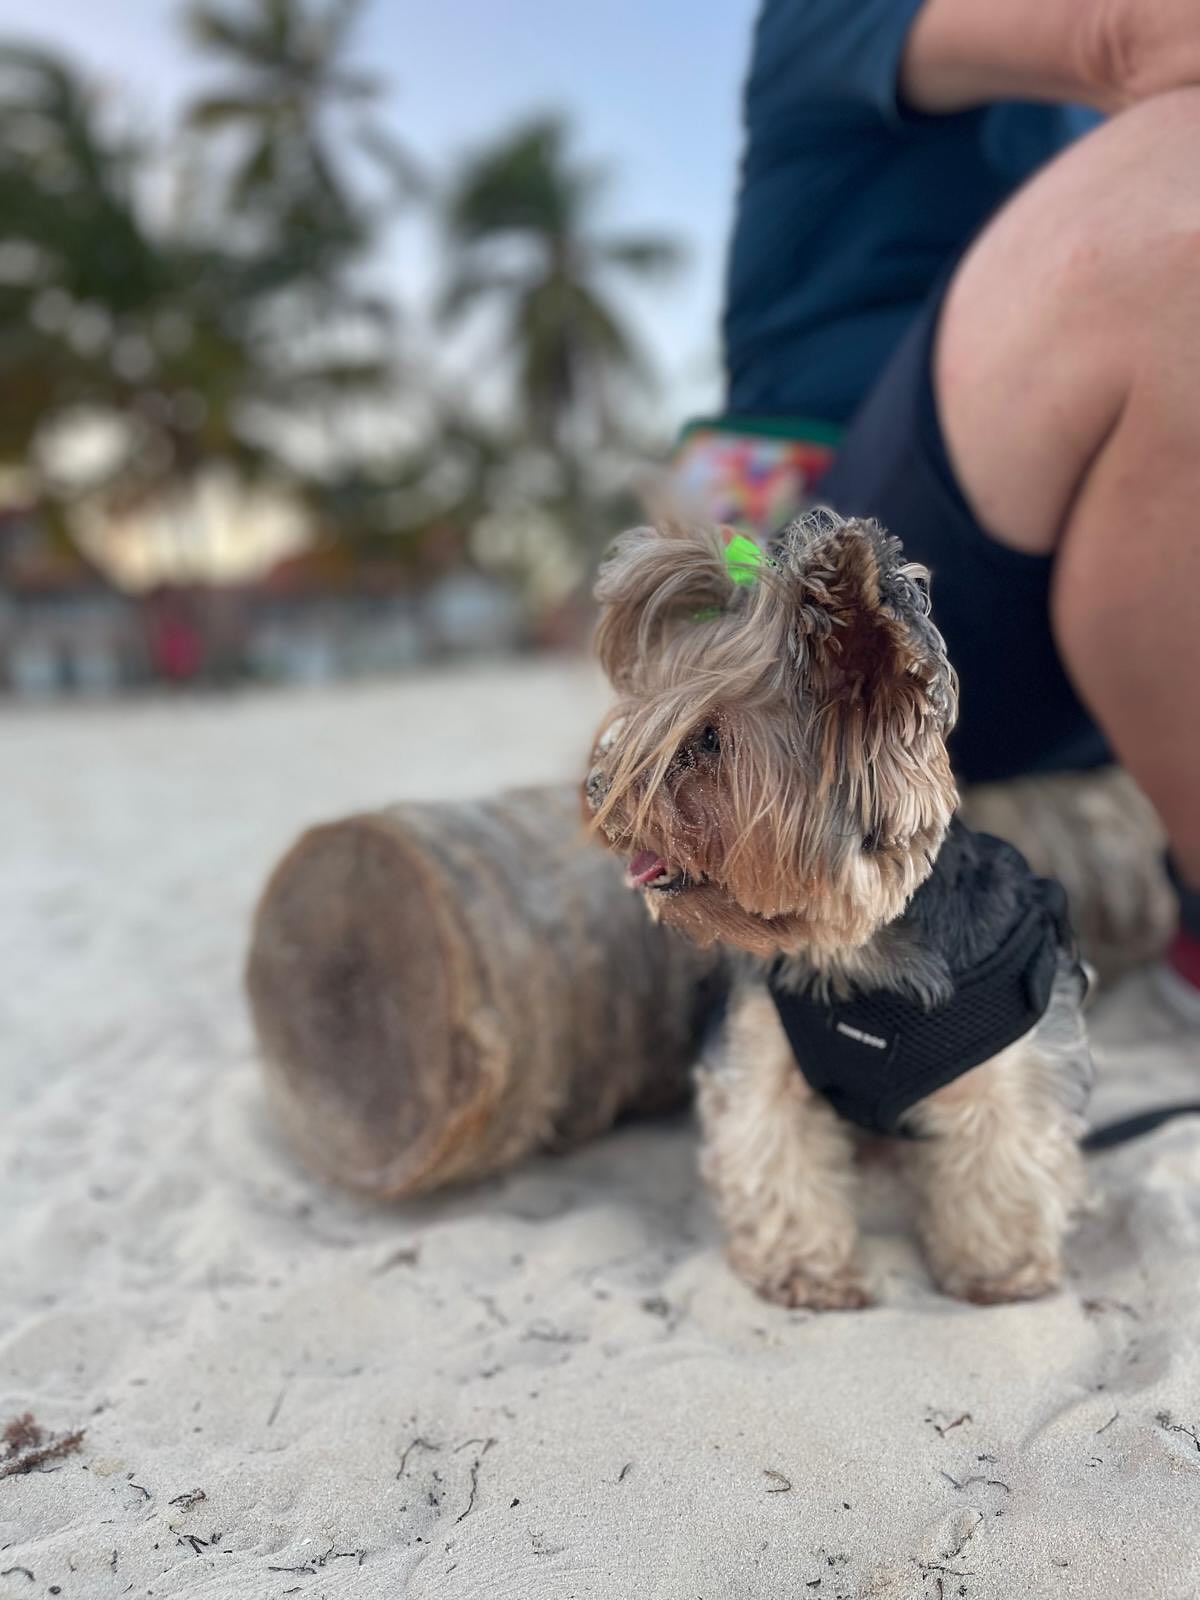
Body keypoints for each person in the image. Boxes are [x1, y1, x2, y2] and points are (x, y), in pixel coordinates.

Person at [675, 0, 1200, 1017]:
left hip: (1065, 631)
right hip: (852, 631)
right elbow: (1134, 40)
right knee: (1178, 174)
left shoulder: (1082, 113)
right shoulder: (826, 18)